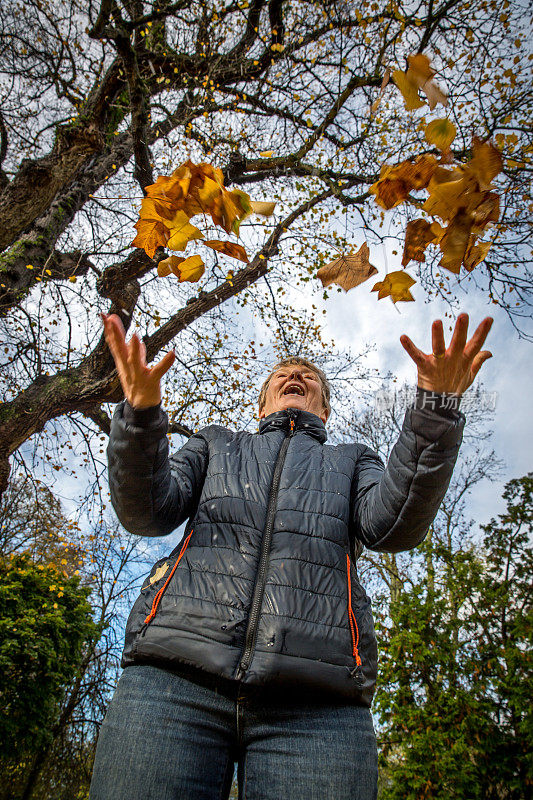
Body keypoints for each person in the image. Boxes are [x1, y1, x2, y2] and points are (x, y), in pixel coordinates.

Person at [89, 311, 493, 800]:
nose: (296, 376)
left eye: (308, 377)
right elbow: (147, 511)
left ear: (324, 411)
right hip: (173, 680)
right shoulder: (217, 444)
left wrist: (436, 408)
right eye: (282, 375)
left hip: (318, 701)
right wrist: (139, 418)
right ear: (263, 403)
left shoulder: (351, 460)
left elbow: (393, 525)